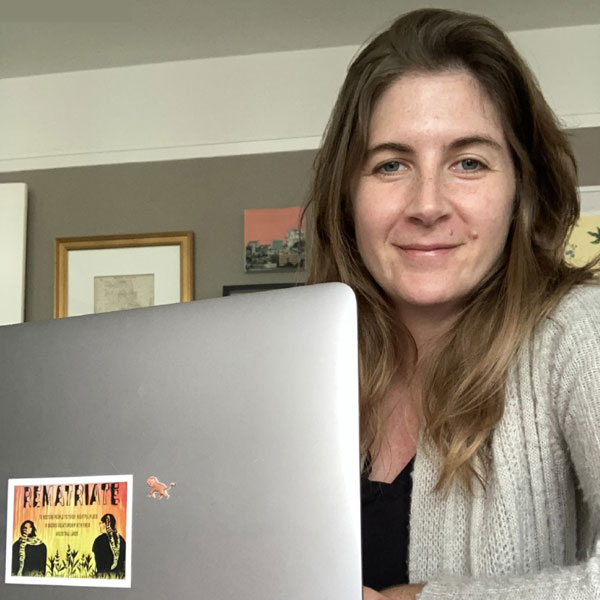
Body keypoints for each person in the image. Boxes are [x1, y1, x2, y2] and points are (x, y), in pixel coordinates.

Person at [304, 8, 600, 600]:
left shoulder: (579, 335)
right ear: (347, 195)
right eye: (391, 164)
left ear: (522, 186)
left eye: (469, 162)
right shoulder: (301, 364)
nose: (428, 205)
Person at [92, 513, 126, 578]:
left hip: (102, 576)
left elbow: (96, 563)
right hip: (119, 577)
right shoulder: (122, 540)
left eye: (101, 523)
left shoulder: (98, 541)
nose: (100, 525)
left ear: (105, 524)